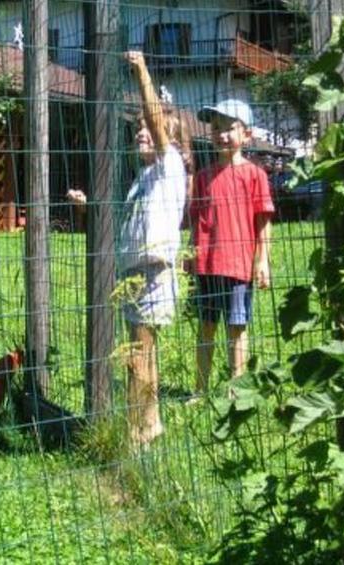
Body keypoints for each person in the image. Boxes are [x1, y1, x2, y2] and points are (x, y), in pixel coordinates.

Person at [119, 51, 190, 447]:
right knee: (142, 354)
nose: (141, 132)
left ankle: (134, 435)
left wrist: (142, 70)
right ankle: (152, 422)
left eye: (149, 128)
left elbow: (153, 116)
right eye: (138, 130)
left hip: (152, 273)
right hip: (133, 273)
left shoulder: (170, 164)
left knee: (137, 356)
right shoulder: (144, 177)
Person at [190, 99, 275, 394]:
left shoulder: (255, 175)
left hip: (239, 265)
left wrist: (262, 260)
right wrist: (190, 254)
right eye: (216, 128)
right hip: (207, 264)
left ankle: (235, 388)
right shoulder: (202, 177)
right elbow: (196, 220)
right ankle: (199, 390)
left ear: (246, 135)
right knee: (207, 326)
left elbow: (264, 220)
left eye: (229, 128)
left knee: (237, 327)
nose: (221, 134)